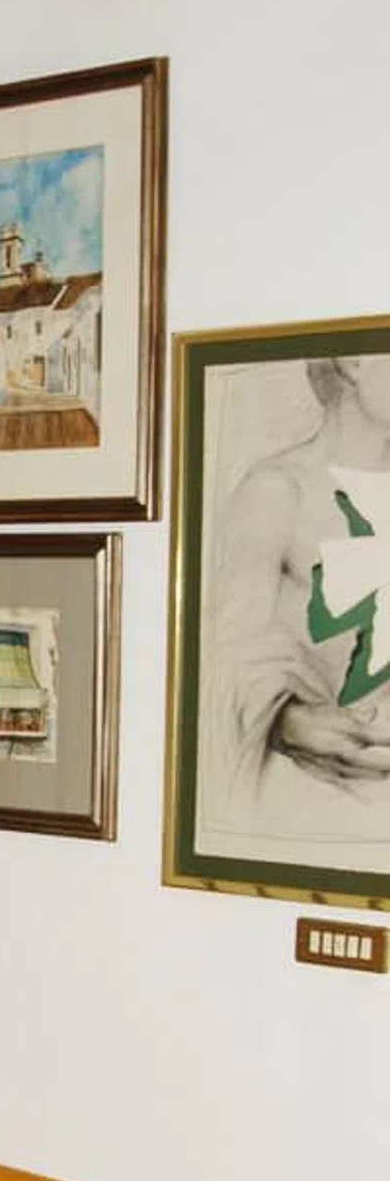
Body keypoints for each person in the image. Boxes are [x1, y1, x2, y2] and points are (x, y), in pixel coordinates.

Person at [207, 354, 390, 831]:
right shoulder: (277, 490)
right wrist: (287, 720)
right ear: (353, 363)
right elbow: (221, 652)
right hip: (314, 796)